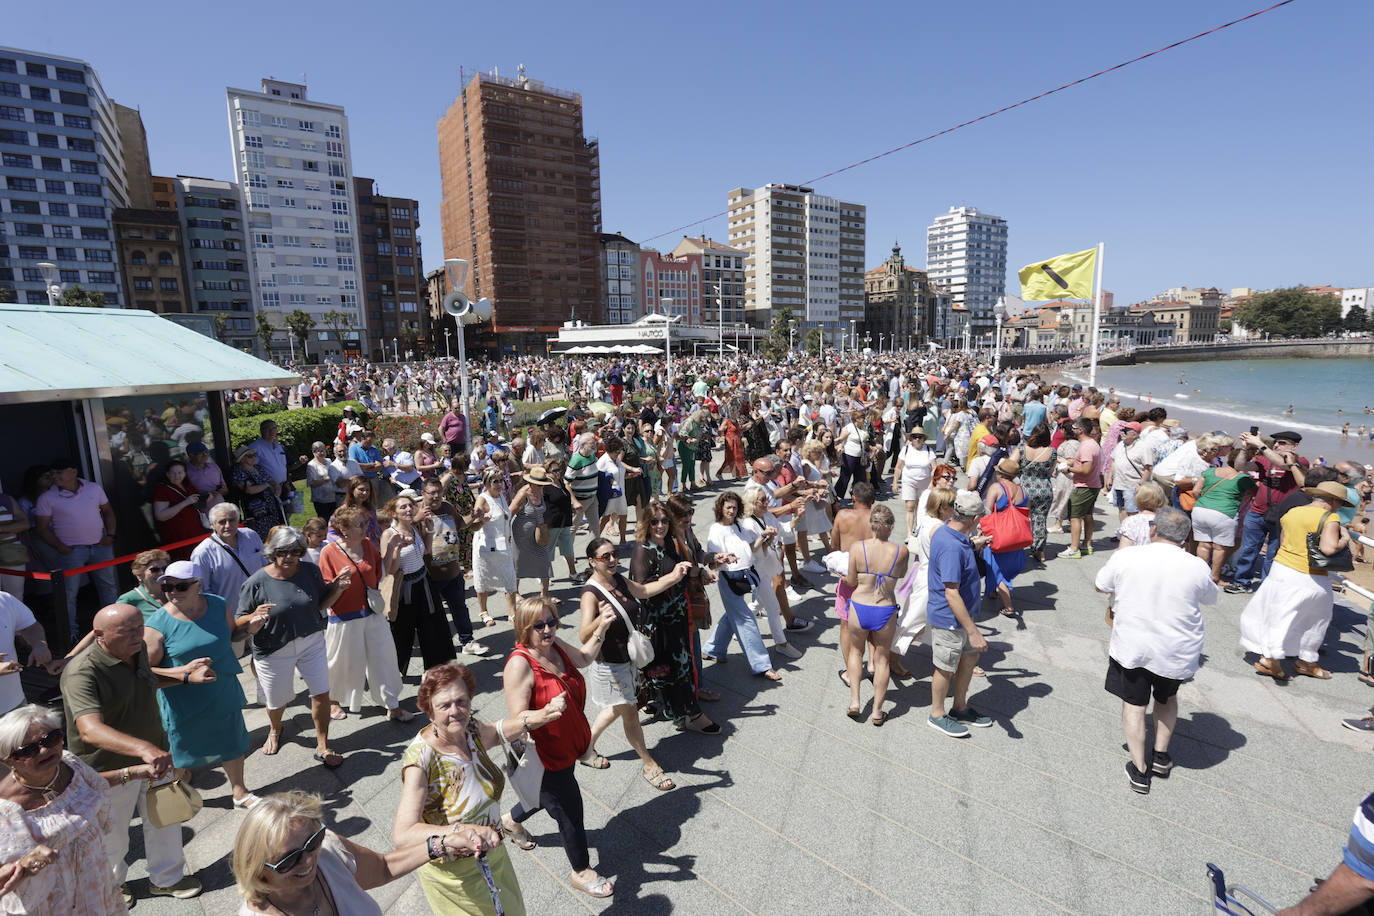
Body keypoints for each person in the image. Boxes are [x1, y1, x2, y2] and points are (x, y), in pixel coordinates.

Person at [61, 603, 208, 903]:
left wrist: (184, 677)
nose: (136, 635)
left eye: (139, 627)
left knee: (166, 820)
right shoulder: (81, 672)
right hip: (110, 769)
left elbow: (146, 679)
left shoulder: (135, 648)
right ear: (99, 635)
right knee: (112, 836)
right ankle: (112, 887)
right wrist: (143, 748)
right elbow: (90, 729)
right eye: (126, 630)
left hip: (155, 757)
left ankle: (168, 879)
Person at [1095, 507, 1218, 794]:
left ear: (1153, 530)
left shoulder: (1127, 556)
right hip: (1175, 648)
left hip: (1134, 644)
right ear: (1186, 536)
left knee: (1135, 705)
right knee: (1167, 697)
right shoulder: (1196, 564)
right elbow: (1211, 598)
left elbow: (1101, 585)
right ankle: (1161, 755)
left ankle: (1139, 770)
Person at [393, 664, 533, 915]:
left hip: (494, 854)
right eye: (444, 706)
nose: (455, 711)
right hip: (454, 877)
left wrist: (536, 718)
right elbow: (403, 834)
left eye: (461, 701)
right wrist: (461, 830)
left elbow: (497, 733)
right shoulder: (420, 760)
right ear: (429, 712)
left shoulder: (470, 730)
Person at [502, 596, 617, 899]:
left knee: (544, 797)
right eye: (538, 625)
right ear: (523, 628)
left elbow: (583, 658)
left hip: (566, 746)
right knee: (568, 809)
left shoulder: (555, 646)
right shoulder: (519, 665)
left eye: (551, 621)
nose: (547, 629)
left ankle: (510, 821)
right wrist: (544, 714)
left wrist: (601, 627)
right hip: (545, 755)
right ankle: (581, 871)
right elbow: (516, 721)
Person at [0, 703, 163, 914]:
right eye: (28, 750)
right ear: (6, 760)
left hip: (96, 881)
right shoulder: (5, 809)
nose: (44, 750)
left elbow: (89, 783)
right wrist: (24, 865)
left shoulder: (68, 763)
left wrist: (134, 772)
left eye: (51, 738)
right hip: (51, 903)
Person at [232, 790, 462, 916]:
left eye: (313, 840)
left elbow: (382, 868)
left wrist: (442, 845)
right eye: (289, 859)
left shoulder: (329, 851)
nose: (308, 859)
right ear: (259, 872)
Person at [142, 560, 259, 808]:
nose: (173, 591)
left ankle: (239, 791)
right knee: (181, 753)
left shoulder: (217, 604)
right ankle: (174, 796)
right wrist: (184, 673)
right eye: (167, 586)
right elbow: (143, 672)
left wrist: (250, 629)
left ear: (198, 585)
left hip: (221, 687)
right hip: (183, 700)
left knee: (232, 740)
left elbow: (231, 635)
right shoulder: (156, 625)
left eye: (181, 586)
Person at [579, 536, 691, 789]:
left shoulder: (617, 579)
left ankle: (585, 749)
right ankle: (649, 764)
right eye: (604, 557)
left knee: (616, 707)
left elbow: (644, 591)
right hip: (609, 666)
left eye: (614, 554)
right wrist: (601, 620)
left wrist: (675, 575)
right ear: (592, 561)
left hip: (626, 660)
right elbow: (584, 634)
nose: (612, 560)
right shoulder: (590, 593)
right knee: (629, 713)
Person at [239, 527, 351, 767]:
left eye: (296, 551)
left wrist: (338, 588)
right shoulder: (256, 582)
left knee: (321, 692)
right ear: (273, 552)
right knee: (276, 702)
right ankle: (275, 728)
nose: (290, 556)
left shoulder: (310, 571)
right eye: (283, 551)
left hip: (311, 640)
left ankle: (323, 744)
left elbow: (321, 603)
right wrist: (252, 620)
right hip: (273, 648)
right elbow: (238, 623)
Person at [1240, 480, 1352, 681]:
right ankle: (1301, 660)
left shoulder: (1293, 512)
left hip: (1281, 568)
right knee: (1317, 619)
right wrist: (1344, 539)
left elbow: (1283, 541)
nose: (1340, 507)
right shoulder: (1330, 517)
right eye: (1341, 503)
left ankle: (1272, 655)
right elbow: (1328, 549)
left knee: (1279, 613)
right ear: (1333, 501)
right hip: (1309, 575)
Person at [631, 499, 720, 733]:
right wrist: (672, 578)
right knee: (669, 670)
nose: (660, 525)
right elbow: (641, 589)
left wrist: (701, 572)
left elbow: (686, 565)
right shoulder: (643, 550)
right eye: (654, 522)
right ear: (646, 524)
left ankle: (681, 711)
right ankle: (690, 714)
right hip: (658, 622)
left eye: (663, 521)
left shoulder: (671, 542)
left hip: (677, 615)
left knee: (678, 667)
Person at [318, 506, 409, 722]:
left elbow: (381, 574)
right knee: (340, 663)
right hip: (343, 618)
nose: (366, 528)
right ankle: (334, 701)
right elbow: (322, 595)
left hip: (373, 614)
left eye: (366, 523)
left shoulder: (368, 545)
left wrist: (394, 549)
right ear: (344, 528)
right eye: (360, 524)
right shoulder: (328, 552)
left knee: (384, 659)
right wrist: (338, 586)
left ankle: (392, 705)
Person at [926, 492, 994, 739]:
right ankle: (936, 714)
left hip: (961, 617)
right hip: (949, 618)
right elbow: (951, 593)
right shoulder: (952, 546)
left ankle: (959, 707)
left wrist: (976, 544)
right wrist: (974, 632)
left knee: (969, 656)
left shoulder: (951, 531)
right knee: (945, 666)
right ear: (974, 517)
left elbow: (961, 544)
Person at [33, 458, 118, 641]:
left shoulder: (93, 488)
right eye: (52, 473)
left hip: (100, 546)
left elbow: (108, 511)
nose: (54, 476)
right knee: (68, 594)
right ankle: (70, 634)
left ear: (73, 471)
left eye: (58, 472)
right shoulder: (47, 497)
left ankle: (116, 627)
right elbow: (41, 528)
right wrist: (60, 547)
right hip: (71, 551)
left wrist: (110, 535)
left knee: (108, 587)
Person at [704, 492, 782, 681]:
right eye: (728, 507)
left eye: (735, 507)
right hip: (729, 578)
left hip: (745, 576)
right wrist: (723, 559)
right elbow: (712, 561)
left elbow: (752, 548)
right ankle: (762, 665)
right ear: (720, 508)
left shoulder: (738, 526)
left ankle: (713, 649)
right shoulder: (716, 529)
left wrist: (763, 536)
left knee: (733, 615)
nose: (732, 511)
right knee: (746, 620)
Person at [841, 505, 908, 726]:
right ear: (890, 527)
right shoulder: (901, 551)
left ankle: (855, 702)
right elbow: (902, 574)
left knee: (856, 652)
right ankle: (878, 711)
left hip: (860, 606)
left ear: (872, 525)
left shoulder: (857, 547)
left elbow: (851, 581)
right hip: (884, 608)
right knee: (881, 660)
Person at [420, 477, 487, 657]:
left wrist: (473, 516)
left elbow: (461, 524)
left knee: (459, 608)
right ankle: (436, 648)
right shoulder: (419, 514)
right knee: (433, 615)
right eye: (432, 493)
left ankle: (467, 641)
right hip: (430, 575)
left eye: (439, 492)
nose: (436, 496)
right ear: (423, 494)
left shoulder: (448, 507)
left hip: (453, 571)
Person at [1191, 454, 1256, 584]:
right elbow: (1256, 493)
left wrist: (1205, 502)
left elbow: (1195, 491)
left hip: (1200, 509)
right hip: (1224, 512)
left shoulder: (1209, 471)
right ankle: (1214, 577)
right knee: (1219, 548)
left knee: (1203, 544)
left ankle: (1201, 575)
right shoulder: (1243, 478)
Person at [982, 458, 1029, 618]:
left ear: (1000, 473)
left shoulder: (996, 487)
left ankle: (1009, 606)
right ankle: (993, 592)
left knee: (997, 569)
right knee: (1003, 568)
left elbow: (987, 511)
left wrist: (981, 531)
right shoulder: (1022, 490)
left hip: (999, 535)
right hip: (1015, 537)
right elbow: (1025, 511)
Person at [472, 467, 517, 628]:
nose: (499, 484)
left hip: (504, 545)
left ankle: (512, 612)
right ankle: (483, 611)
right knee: (483, 579)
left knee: (509, 578)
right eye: (495, 481)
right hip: (486, 547)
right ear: (487, 483)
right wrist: (481, 520)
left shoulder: (501, 497)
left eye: (501, 481)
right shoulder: (482, 499)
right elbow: (474, 526)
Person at [511, 465, 554, 600]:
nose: (541, 487)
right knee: (519, 561)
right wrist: (505, 534)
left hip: (538, 532)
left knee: (544, 559)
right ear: (530, 482)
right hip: (521, 533)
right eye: (538, 484)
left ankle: (545, 594)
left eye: (542, 484)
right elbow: (510, 512)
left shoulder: (540, 491)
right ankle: (515, 593)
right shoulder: (522, 494)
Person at [1064, 418, 1104, 558]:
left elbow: (1086, 469)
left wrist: (1069, 470)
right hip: (1093, 484)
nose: (1072, 429)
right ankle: (1087, 544)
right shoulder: (1092, 444)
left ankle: (1074, 548)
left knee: (1075, 517)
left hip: (1084, 486)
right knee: (1087, 515)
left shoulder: (1086, 446)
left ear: (1080, 430)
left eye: (1074, 427)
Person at [151, 460, 204, 559]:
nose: (177, 476)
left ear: (185, 473)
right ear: (167, 474)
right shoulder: (162, 490)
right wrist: (185, 502)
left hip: (196, 535)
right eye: (173, 473)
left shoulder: (188, 485)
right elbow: (160, 516)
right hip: (178, 539)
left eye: (180, 472)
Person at [231, 446, 282, 542]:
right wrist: (266, 485)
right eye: (250, 456)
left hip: (270, 506)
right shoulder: (238, 472)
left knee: (275, 533)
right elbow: (249, 490)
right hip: (256, 511)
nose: (254, 457)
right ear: (242, 459)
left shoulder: (258, 467)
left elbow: (270, 479)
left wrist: (276, 486)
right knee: (260, 537)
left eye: (254, 455)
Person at [892, 429, 935, 537]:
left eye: (920, 437)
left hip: (925, 482)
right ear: (911, 438)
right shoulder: (905, 449)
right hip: (909, 481)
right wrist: (895, 482)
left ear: (924, 439)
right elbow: (898, 467)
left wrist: (932, 483)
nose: (917, 439)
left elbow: (934, 468)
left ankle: (920, 529)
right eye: (915, 437)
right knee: (910, 506)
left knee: (923, 507)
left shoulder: (929, 450)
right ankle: (909, 533)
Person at [115, 549, 171, 621]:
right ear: (139, 575)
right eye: (154, 570)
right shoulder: (128, 600)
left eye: (165, 568)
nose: (161, 573)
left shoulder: (176, 591)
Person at [305, 441, 340, 521]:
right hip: (321, 500)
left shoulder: (328, 461)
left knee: (335, 520)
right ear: (314, 452)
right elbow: (311, 483)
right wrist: (326, 479)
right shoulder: (311, 465)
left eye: (323, 450)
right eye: (319, 451)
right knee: (325, 521)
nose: (322, 452)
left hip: (333, 497)